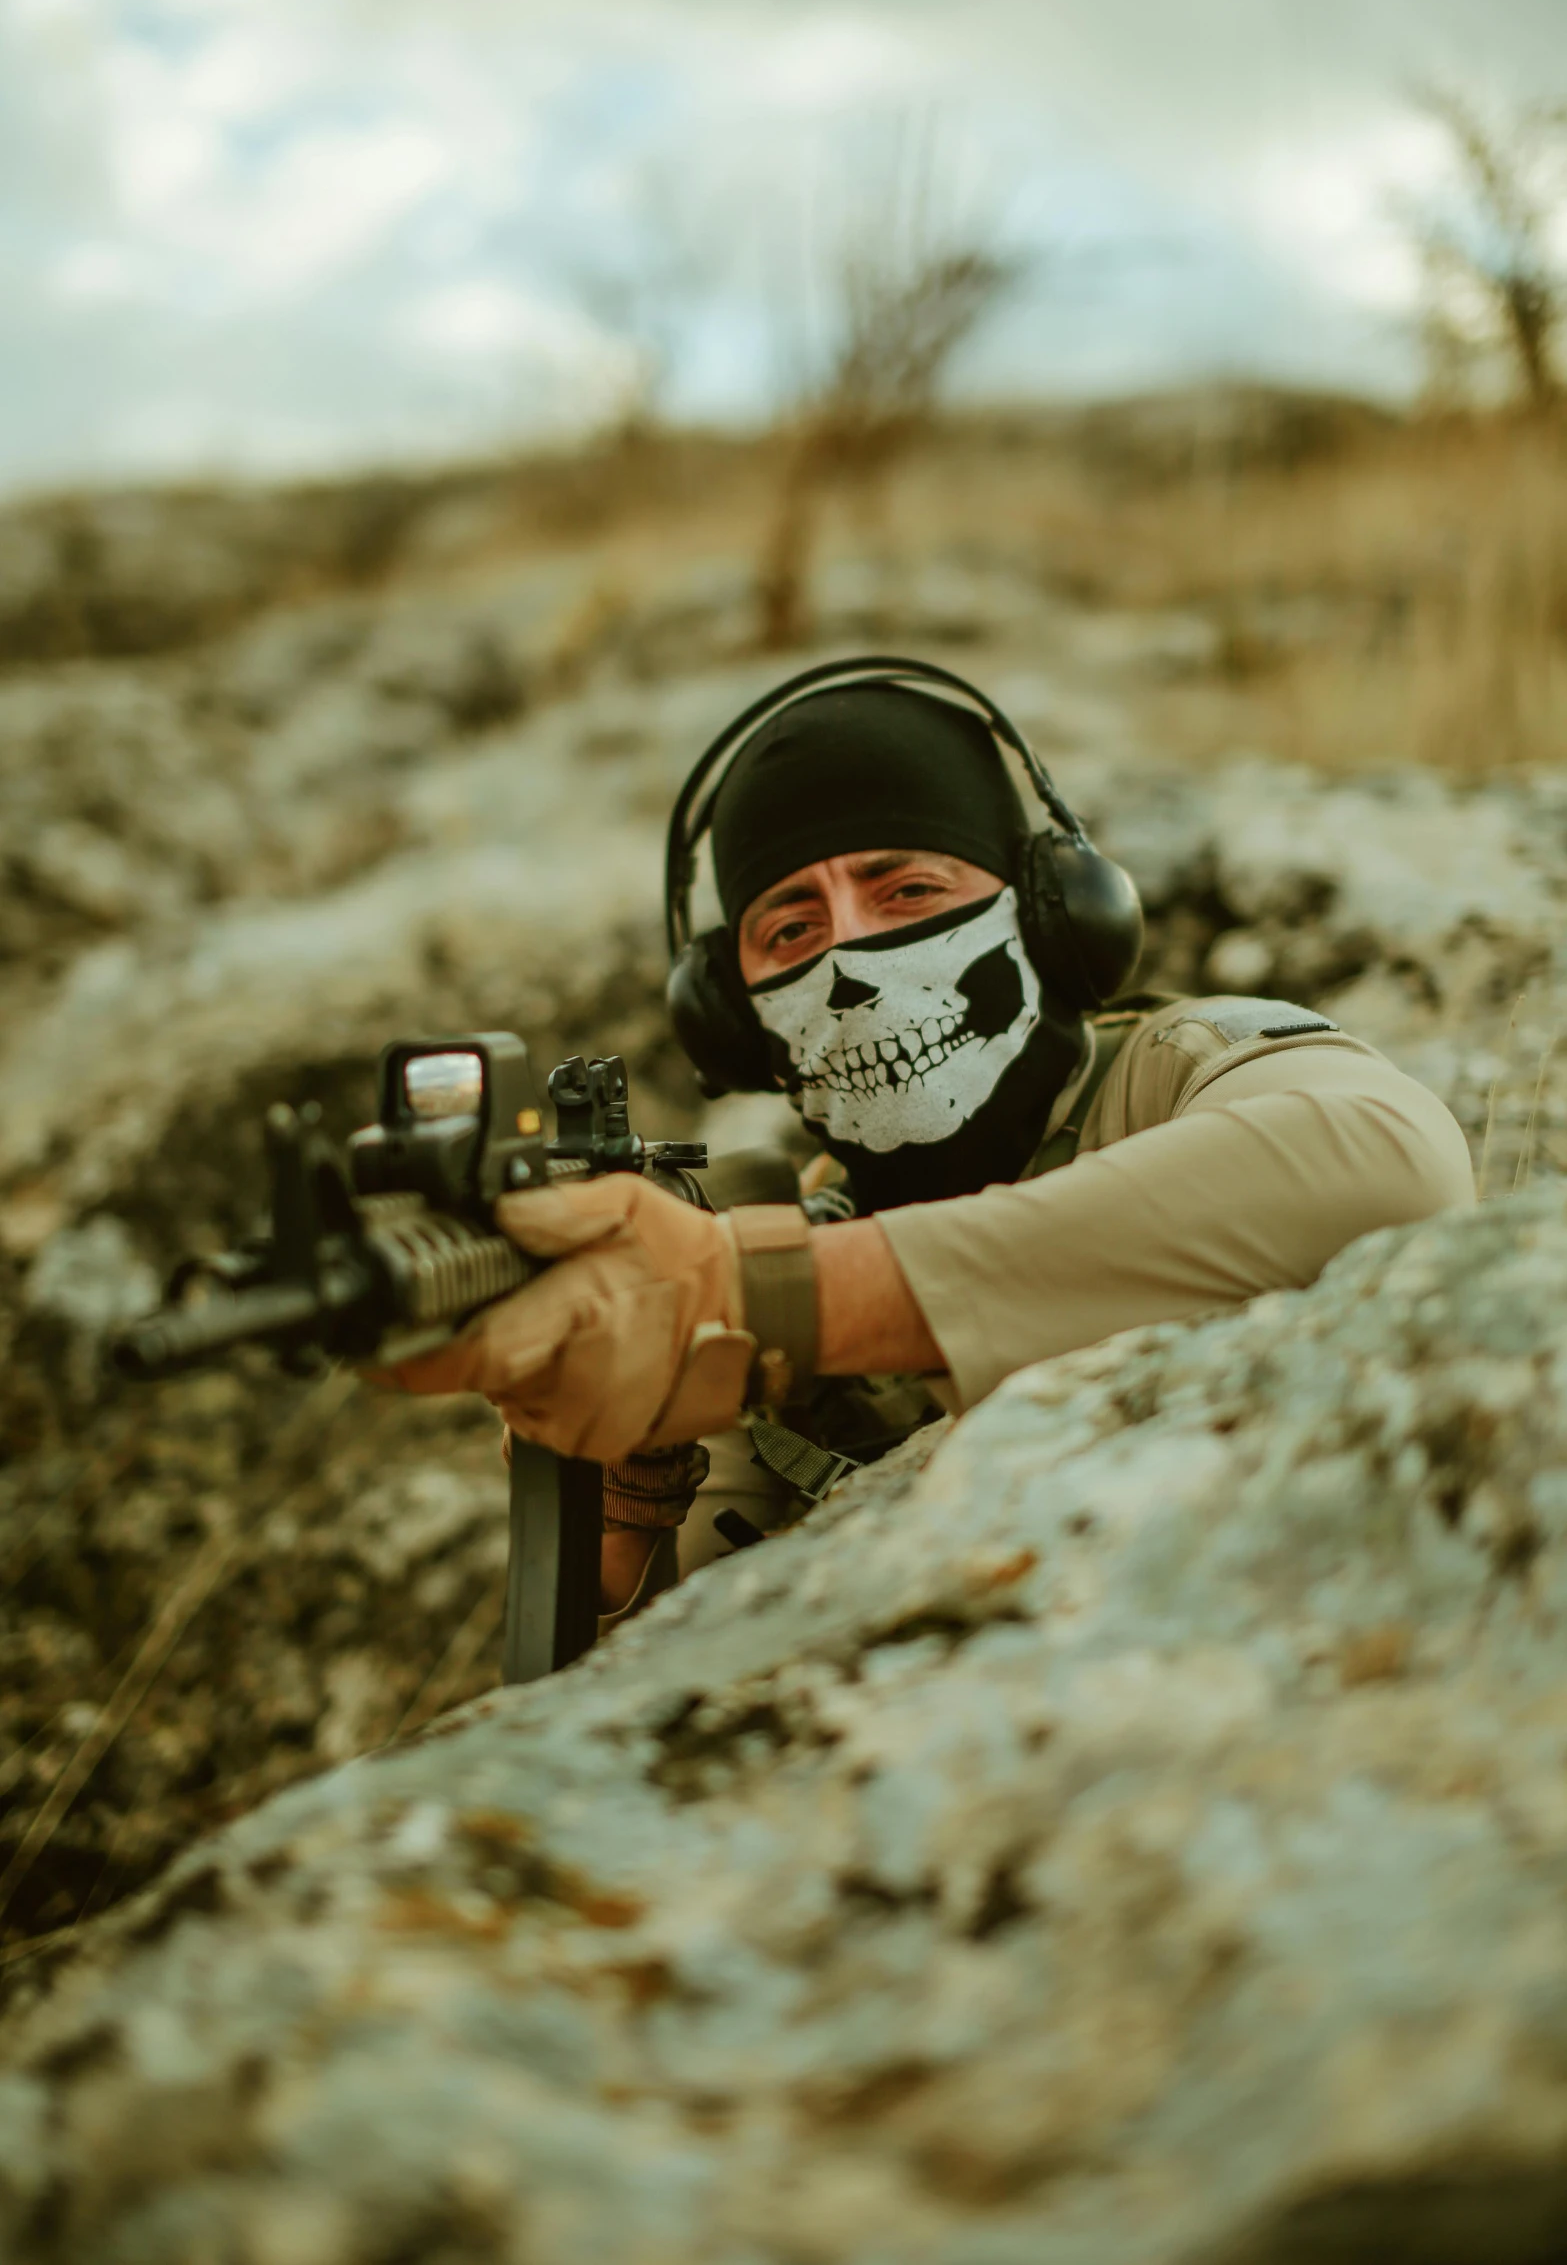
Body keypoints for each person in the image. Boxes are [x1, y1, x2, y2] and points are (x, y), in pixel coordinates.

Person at [383, 657, 1475, 1625]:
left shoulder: (1184, 1069)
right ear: (731, 1014)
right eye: (789, 929)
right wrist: (618, 1521)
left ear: (1055, 917)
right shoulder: (782, 1231)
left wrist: (773, 1294)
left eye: (910, 888)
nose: (851, 958)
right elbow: (665, 1686)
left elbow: (1391, 1163)